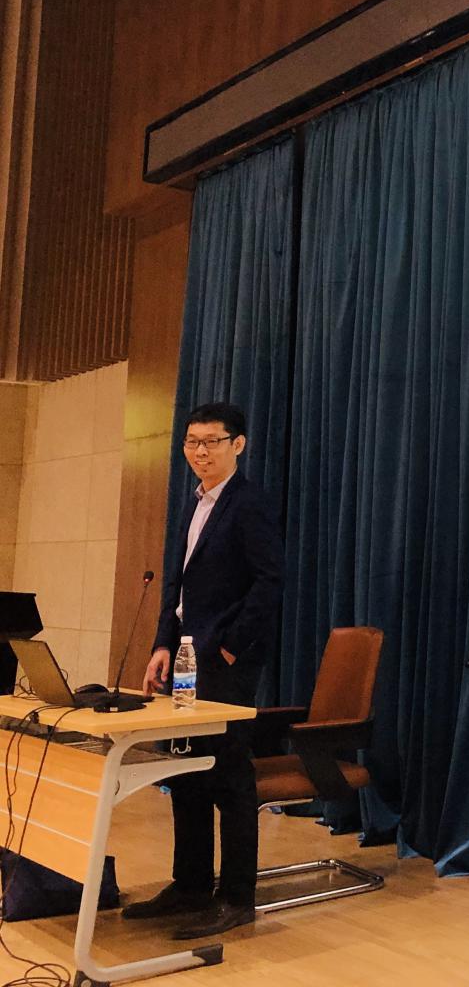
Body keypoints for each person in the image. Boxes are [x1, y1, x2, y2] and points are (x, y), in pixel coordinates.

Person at [122, 402, 283, 939]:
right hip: (186, 656)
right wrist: (162, 644)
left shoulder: (248, 503)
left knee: (229, 776)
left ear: (238, 445)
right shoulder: (193, 502)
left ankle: (236, 896)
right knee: (185, 769)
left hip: (225, 662)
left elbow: (269, 581)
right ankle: (190, 883)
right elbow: (178, 585)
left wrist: (232, 647)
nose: (200, 452)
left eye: (212, 442)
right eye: (192, 442)